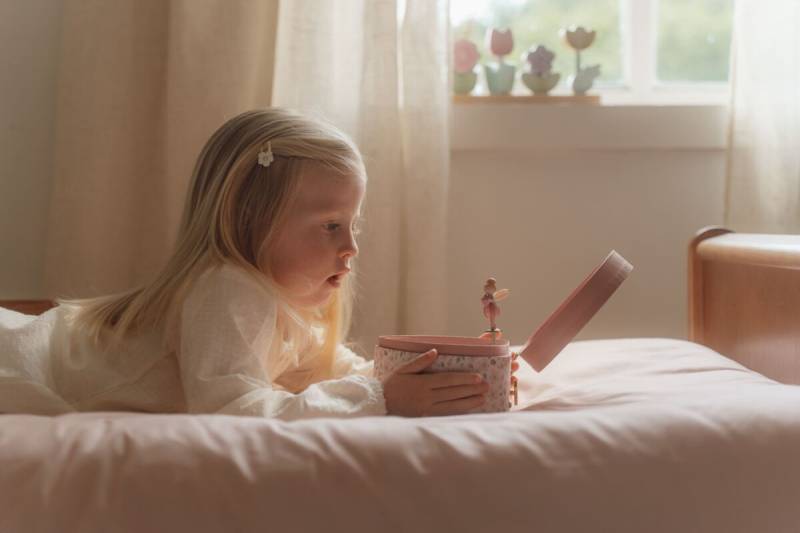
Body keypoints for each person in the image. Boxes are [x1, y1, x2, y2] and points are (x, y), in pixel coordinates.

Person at [0, 108, 518, 420]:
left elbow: (329, 370)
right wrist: (378, 398)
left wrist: (446, 371)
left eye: (353, 226)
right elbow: (232, 411)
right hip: (23, 366)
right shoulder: (228, 290)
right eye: (330, 225)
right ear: (253, 219)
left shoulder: (278, 297)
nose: (351, 249)